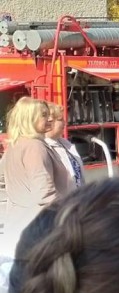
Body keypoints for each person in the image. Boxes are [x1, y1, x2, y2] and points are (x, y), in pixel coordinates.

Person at [1, 98, 73, 255]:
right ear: (30, 118)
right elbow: (44, 190)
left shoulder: (14, 145)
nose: (49, 119)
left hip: (18, 224)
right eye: (43, 115)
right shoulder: (35, 146)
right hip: (40, 227)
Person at [44, 103, 84, 189]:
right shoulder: (43, 148)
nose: (65, 123)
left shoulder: (65, 144)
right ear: (50, 121)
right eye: (61, 119)